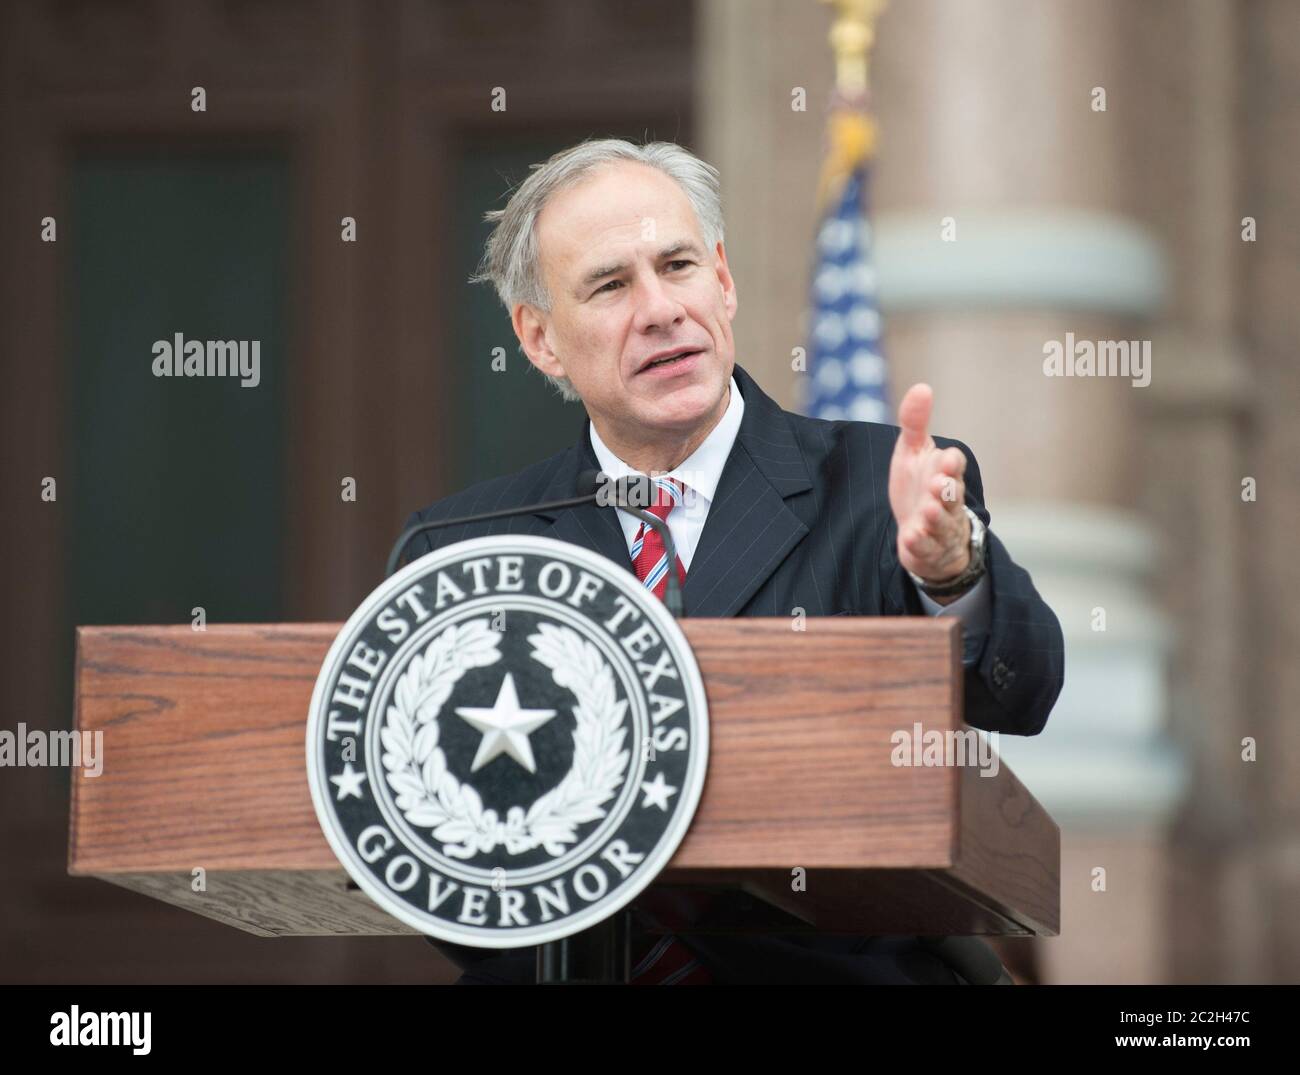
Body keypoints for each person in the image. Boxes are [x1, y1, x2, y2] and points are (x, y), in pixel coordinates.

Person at [404, 138, 1064, 984]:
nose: (659, 309)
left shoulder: (871, 488)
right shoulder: (466, 548)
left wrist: (951, 570)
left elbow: (1023, 689)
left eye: (676, 265)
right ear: (538, 338)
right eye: (610, 284)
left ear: (723, 278)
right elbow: (433, 847)